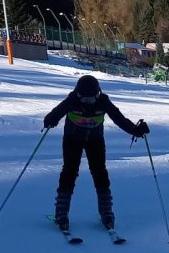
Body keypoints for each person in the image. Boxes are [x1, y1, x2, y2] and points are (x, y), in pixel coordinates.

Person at [43, 75, 149, 231]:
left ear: (98, 94)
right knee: (69, 171)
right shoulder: (72, 100)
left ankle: (106, 211)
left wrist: (136, 130)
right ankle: (61, 212)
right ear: (78, 94)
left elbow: (119, 119)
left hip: (95, 140)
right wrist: (50, 120)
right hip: (72, 139)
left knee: (100, 172)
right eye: (85, 99)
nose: (88, 102)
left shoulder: (103, 101)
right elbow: (55, 113)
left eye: (92, 99)